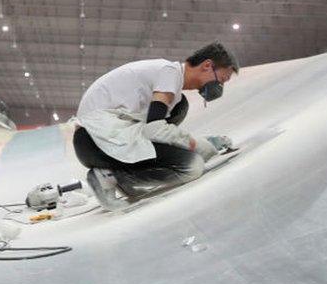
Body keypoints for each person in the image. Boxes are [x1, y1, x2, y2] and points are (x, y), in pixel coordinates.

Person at [71, 41, 238, 210]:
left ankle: (119, 174)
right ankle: (109, 176)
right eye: (221, 80)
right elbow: (154, 129)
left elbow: (155, 128)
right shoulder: (170, 72)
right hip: (96, 140)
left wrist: (189, 144)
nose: (219, 87)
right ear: (207, 65)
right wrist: (197, 145)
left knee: (180, 107)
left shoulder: (172, 86)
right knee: (192, 166)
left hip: (102, 137)